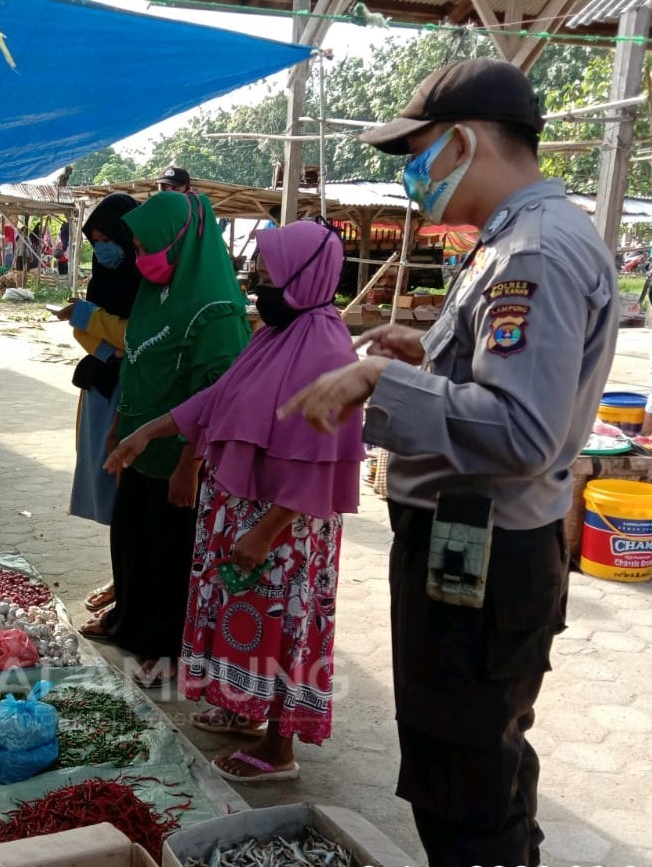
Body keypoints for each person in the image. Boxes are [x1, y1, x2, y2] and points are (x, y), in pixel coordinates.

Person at [279, 58, 618, 866]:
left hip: (482, 554)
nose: (410, 174)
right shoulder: (512, 240)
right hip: (476, 548)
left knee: (461, 782)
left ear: (463, 140)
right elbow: (504, 393)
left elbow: (523, 432)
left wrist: (381, 380)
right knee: (484, 759)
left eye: (417, 151)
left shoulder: (530, 252)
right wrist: (428, 364)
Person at [106, 219, 364, 781]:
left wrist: (265, 532)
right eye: (256, 276)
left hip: (283, 524)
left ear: (302, 278)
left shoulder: (325, 349)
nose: (257, 287)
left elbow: (318, 457)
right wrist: (149, 431)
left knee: (284, 627)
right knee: (245, 618)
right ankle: (246, 715)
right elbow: (220, 396)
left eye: (267, 278)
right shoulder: (278, 336)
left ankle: (279, 750)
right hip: (245, 509)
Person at [79, 190, 250, 688]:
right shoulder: (156, 291)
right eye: (135, 246)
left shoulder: (215, 310)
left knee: (170, 554)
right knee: (132, 539)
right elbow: (134, 356)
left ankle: (166, 649)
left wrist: (189, 465)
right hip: (137, 443)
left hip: (178, 455)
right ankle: (127, 623)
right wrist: (118, 423)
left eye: (146, 245)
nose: (139, 256)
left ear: (178, 241)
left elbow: (216, 399)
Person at [54, 193, 142, 614]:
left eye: (108, 236)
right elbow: (90, 337)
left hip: (133, 395)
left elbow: (137, 338)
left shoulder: (147, 277)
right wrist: (105, 337)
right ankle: (121, 578)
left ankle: (130, 587)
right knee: (107, 489)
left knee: (129, 494)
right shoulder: (103, 280)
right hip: (103, 386)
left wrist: (92, 320)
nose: (102, 246)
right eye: (96, 238)